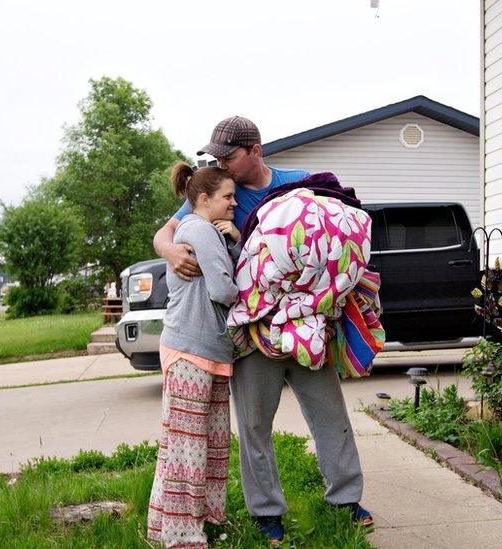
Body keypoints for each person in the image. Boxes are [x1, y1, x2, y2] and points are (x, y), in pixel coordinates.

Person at [153, 117, 373, 546]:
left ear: (255, 149)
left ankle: (346, 500)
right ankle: (267, 513)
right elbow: (170, 229)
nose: (222, 165)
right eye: (216, 159)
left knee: (329, 414)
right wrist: (169, 250)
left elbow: (331, 225)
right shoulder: (215, 190)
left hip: (307, 323)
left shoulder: (297, 183)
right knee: (254, 426)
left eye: (228, 157)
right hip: (251, 332)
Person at [146, 163, 242, 549]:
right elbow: (223, 288)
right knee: (188, 448)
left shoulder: (209, 232)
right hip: (190, 350)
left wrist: (233, 241)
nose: (235, 202)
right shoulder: (199, 230)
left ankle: (194, 522)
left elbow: (220, 275)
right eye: (228, 197)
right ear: (204, 199)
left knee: (207, 444)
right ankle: (182, 536)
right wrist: (260, 298)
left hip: (208, 350)